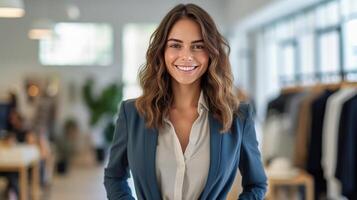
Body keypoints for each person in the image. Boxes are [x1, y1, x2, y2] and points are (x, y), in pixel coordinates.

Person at [104, 3, 267, 200]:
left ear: (211, 53)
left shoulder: (238, 117)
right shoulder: (132, 114)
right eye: (175, 45)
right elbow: (114, 176)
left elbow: (256, 184)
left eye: (198, 46)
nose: (187, 56)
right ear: (162, 51)